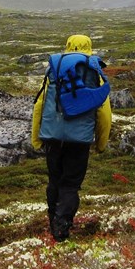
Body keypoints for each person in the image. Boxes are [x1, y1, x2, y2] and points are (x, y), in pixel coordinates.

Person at [31, 34, 112, 241]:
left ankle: (53, 221)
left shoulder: (54, 68)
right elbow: (104, 112)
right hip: (80, 140)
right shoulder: (94, 70)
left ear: (67, 46)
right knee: (70, 184)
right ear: (89, 47)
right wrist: (101, 143)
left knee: (55, 180)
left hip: (52, 137)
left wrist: (37, 138)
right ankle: (62, 227)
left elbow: (40, 104)